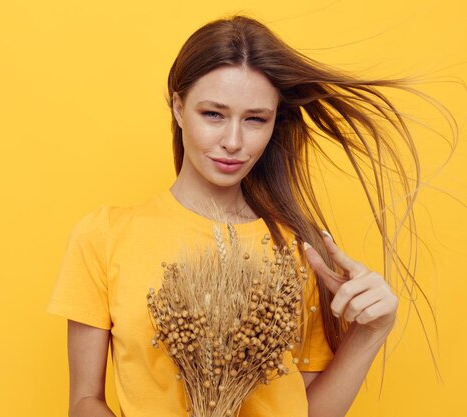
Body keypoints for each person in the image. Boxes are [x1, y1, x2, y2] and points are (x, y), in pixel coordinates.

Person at [47, 14, 446, 417]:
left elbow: (311, 412)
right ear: (179, 106)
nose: (234, 142)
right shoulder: (105, 235)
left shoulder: (299, 249)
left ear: (274, 123)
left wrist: (370, 333)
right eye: (213, 115)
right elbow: (85, 401)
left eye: (255, 119)